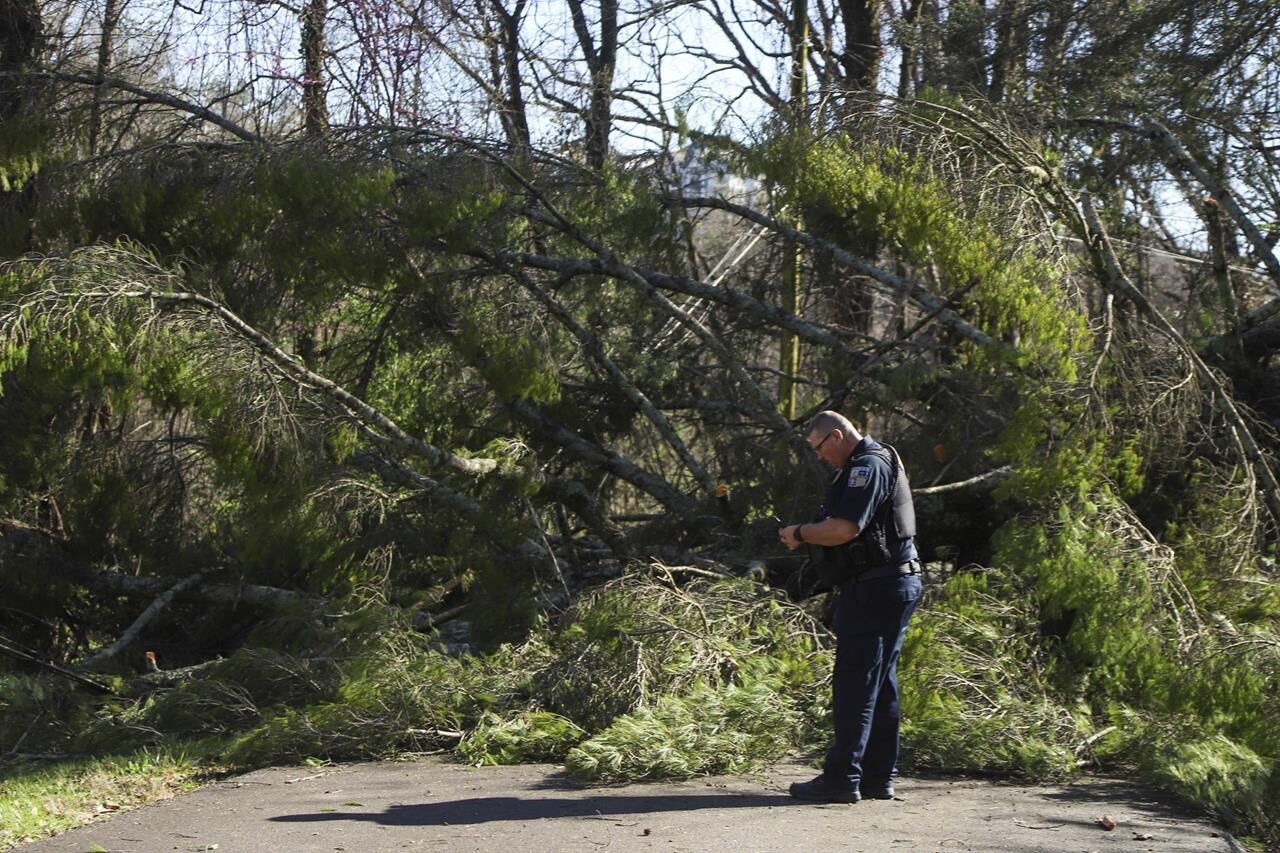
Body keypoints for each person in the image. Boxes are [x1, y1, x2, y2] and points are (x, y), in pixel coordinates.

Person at [779, 410, 922, 803]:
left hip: (878, 587)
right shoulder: (874, 461)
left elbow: (845, 528)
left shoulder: (867, 466)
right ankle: (878, 777)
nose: (821, 457)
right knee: (880, 683)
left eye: (820, 448)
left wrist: (801, 533)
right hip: (890, 583)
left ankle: (842, 778)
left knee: (854, 682)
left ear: (837, 436)